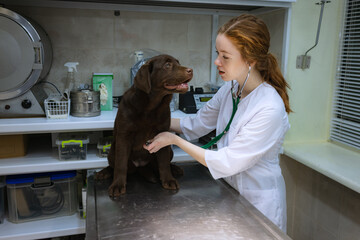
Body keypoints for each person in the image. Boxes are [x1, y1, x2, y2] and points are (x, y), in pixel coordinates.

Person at [143, 14, 291, 232]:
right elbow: (197, 123)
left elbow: (227, 162)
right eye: (217, 54)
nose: (217, 62)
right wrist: (149, 120)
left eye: (225, 56)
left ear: (250, 60)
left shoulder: (269, 108)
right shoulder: (230, 88)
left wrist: (174, 140)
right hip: (232, 194)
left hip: (260, 204)